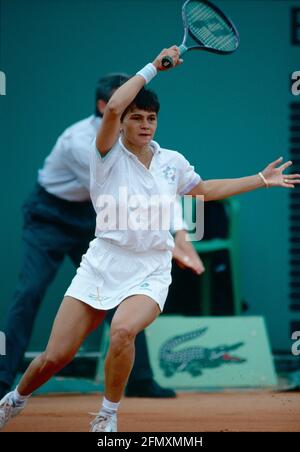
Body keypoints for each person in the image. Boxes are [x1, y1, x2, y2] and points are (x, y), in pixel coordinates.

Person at [1, 45, 298, 433]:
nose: (145, 124)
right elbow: (110, 109)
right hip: (101, 264)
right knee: (55, 357)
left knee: (123, 330)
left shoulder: (171, 162)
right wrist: (154, 68)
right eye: (136, 117)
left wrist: (259, 180)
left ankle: (107, 415)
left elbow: (204, 188)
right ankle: (15, 399)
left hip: (150, 270)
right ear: (121, 123)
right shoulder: (104, 154)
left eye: (151, 118)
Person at [0, 72, 203, 402]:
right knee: (30, 290)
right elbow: (134, 193)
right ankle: (3, 379)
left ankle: (139, 380)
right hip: (50, 216)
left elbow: (156, 189)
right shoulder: (82, 142)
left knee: (128, 292)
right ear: (106, 105)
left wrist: (180, 236)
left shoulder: (147, 150)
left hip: (95, 215)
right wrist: (177, 238)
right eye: (125, 100)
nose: (135, 108)